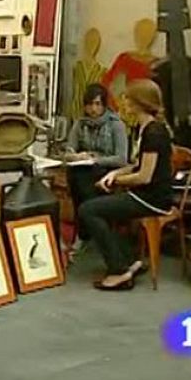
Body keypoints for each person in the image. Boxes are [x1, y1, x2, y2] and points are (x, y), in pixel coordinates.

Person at [78, 79, 175, 291]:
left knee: (88, 210)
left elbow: (144, 176)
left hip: (152, 199)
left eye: (128, 100)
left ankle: (119, 270)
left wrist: (116, 181)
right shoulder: (144, 128)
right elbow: (135, 165)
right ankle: (128, 259)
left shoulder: (154, 133)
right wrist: (115, 173)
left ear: (138, 103)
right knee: (96, 204)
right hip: (144, 194)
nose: (124, 104)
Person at [64, 83, 128, 254]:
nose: (93, 109)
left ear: (104, 105)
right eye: (90, 104)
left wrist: (96, 160)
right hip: (83, 168)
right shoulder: (80, 123)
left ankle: (87, 231)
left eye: (98, 104)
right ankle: (87, 229)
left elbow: (122, 159)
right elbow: (68, 152)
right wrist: (77, 156)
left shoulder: (116, 124)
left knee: (84, 181)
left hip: (108, 169)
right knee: (75, 174)